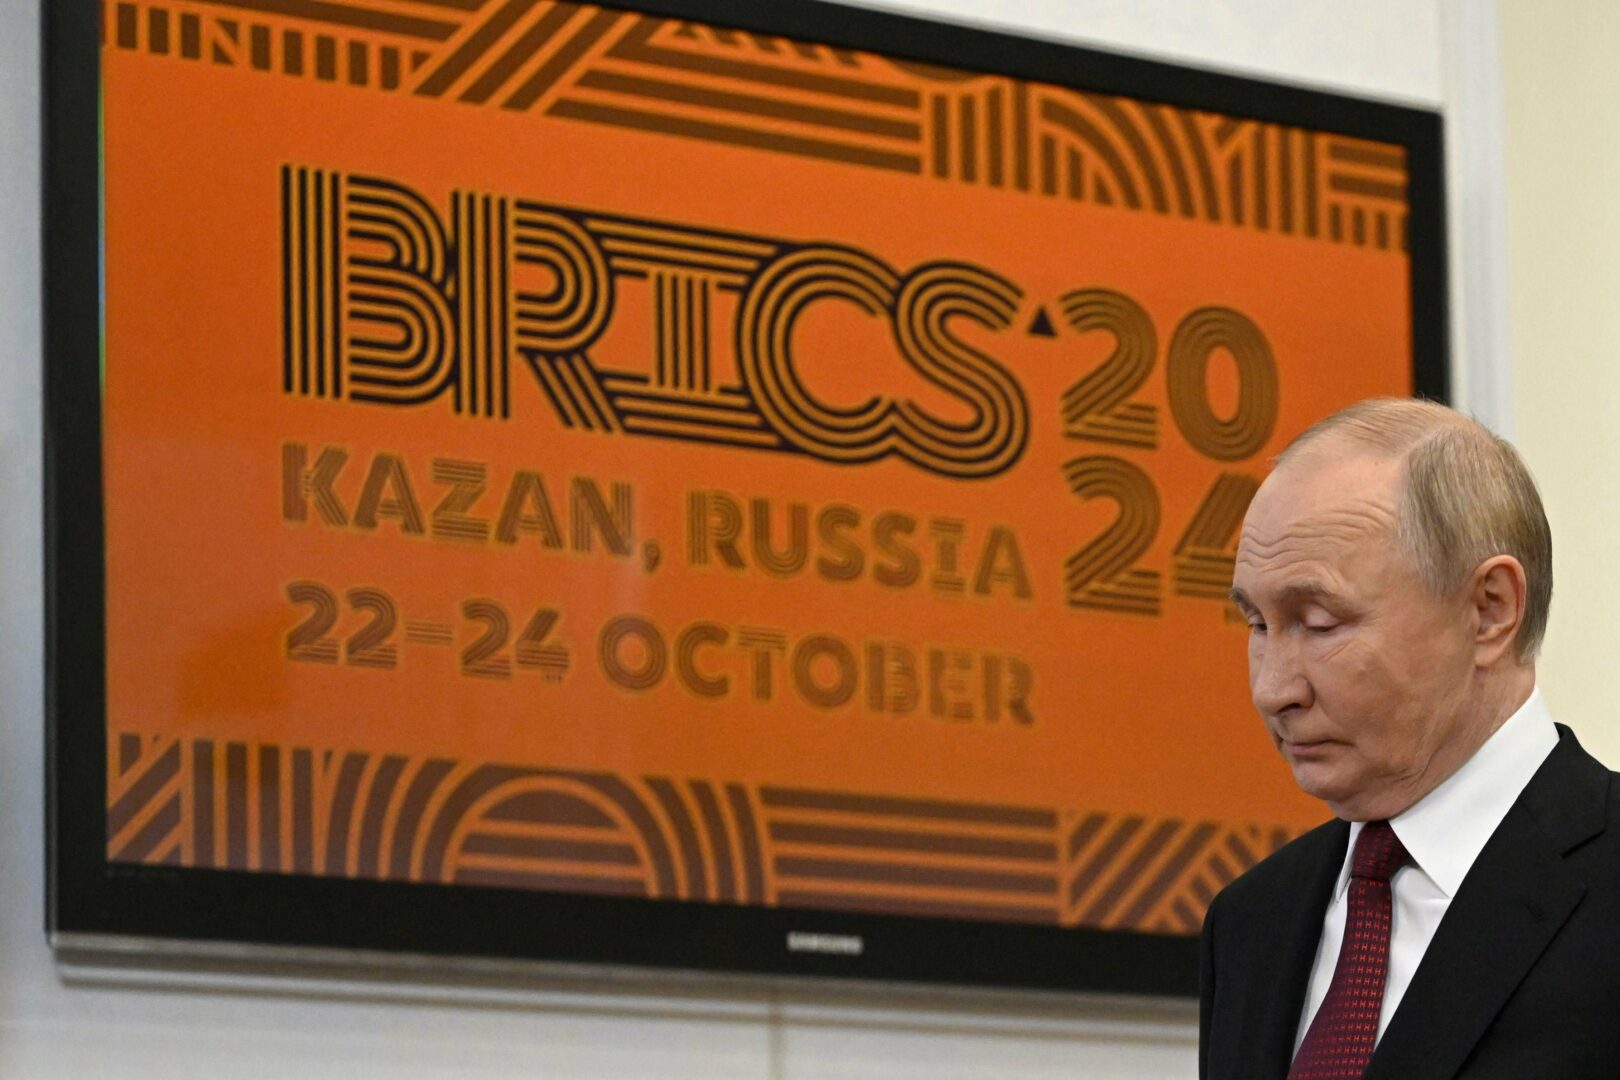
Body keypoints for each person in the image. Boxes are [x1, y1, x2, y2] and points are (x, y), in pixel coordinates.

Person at [1199, 397, 1620, 1079]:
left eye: (1320, 623)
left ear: (1490, 610)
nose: (1273, 689)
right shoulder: (1249, 923)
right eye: (1258, 625)